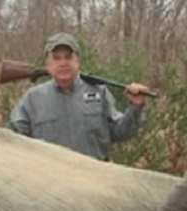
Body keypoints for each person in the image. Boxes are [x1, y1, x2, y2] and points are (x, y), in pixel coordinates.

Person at [8, 33, 150, 161]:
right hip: (49, 183)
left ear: (78, 60)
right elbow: (12, 140)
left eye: (68, 57)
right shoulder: (32, 98)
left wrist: (135, 107)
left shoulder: (99, 92)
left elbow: (120, 132)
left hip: (96, 178)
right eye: (56, 58)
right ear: (47, 63)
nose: (63, 63)